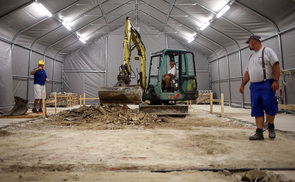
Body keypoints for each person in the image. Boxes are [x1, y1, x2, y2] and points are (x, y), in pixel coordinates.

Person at [239, 35, 280, 140]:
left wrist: (276, 80)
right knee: (257, 108)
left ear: (254, 41)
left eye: (249, 43)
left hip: (267, 84)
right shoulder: (251, 57)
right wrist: (243, 84)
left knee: (269, 106)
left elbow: (276, 65)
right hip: (254, 86)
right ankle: (259, 132)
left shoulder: (267, 51)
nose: (248, 45)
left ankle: (271, 126)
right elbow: (248, 73)